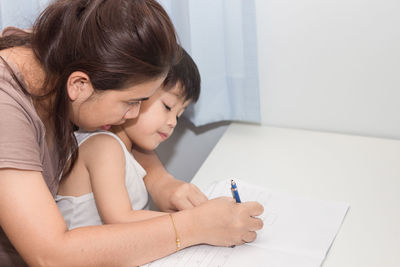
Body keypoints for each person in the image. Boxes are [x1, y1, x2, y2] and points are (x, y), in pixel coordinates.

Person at [0, 0, 264, 266]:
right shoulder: (6, 108)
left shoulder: (65, 52)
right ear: (79, 85)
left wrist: (160, 180)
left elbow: (118, 130)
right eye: (131, 102)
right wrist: (194, 226)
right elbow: (51, 256)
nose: (133, 115)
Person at [56, 47, 203, 228]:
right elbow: (121, 221)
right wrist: (198, 221)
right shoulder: (104, 147)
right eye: (167, 106)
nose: (173, 122)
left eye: (179, 115)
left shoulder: (125, 149)